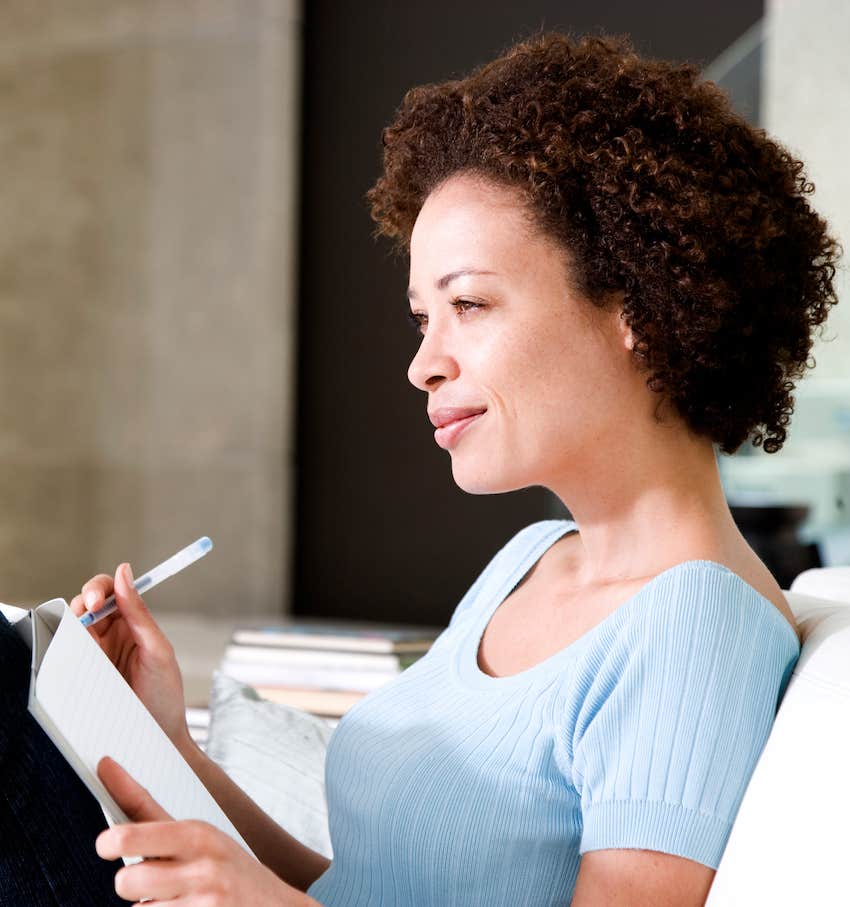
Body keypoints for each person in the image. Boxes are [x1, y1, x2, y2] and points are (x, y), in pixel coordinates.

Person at [1, 31, 839, 906]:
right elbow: (360, 887)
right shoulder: (532, 560)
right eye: (420, 319)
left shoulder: (696, 626)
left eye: (468, 304)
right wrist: (167, 744)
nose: (423, 365)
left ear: (640, 309)